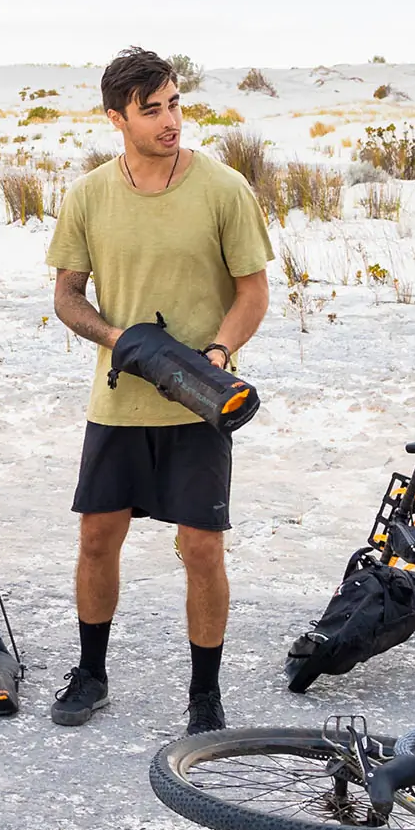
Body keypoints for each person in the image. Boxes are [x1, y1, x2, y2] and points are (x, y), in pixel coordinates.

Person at [44, 46, 272, 734]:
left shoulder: (224, 189)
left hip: (200, 400)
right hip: (119, 401)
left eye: (174, 103)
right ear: (117, 118)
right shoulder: (88, 196)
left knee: (202, 549)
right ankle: (91, 673)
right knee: (96, 540)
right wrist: (121, 341)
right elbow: (66, 297)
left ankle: (204, 693)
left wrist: (217, 354)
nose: (171, 120)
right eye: (152, 110)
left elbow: (253, 293)